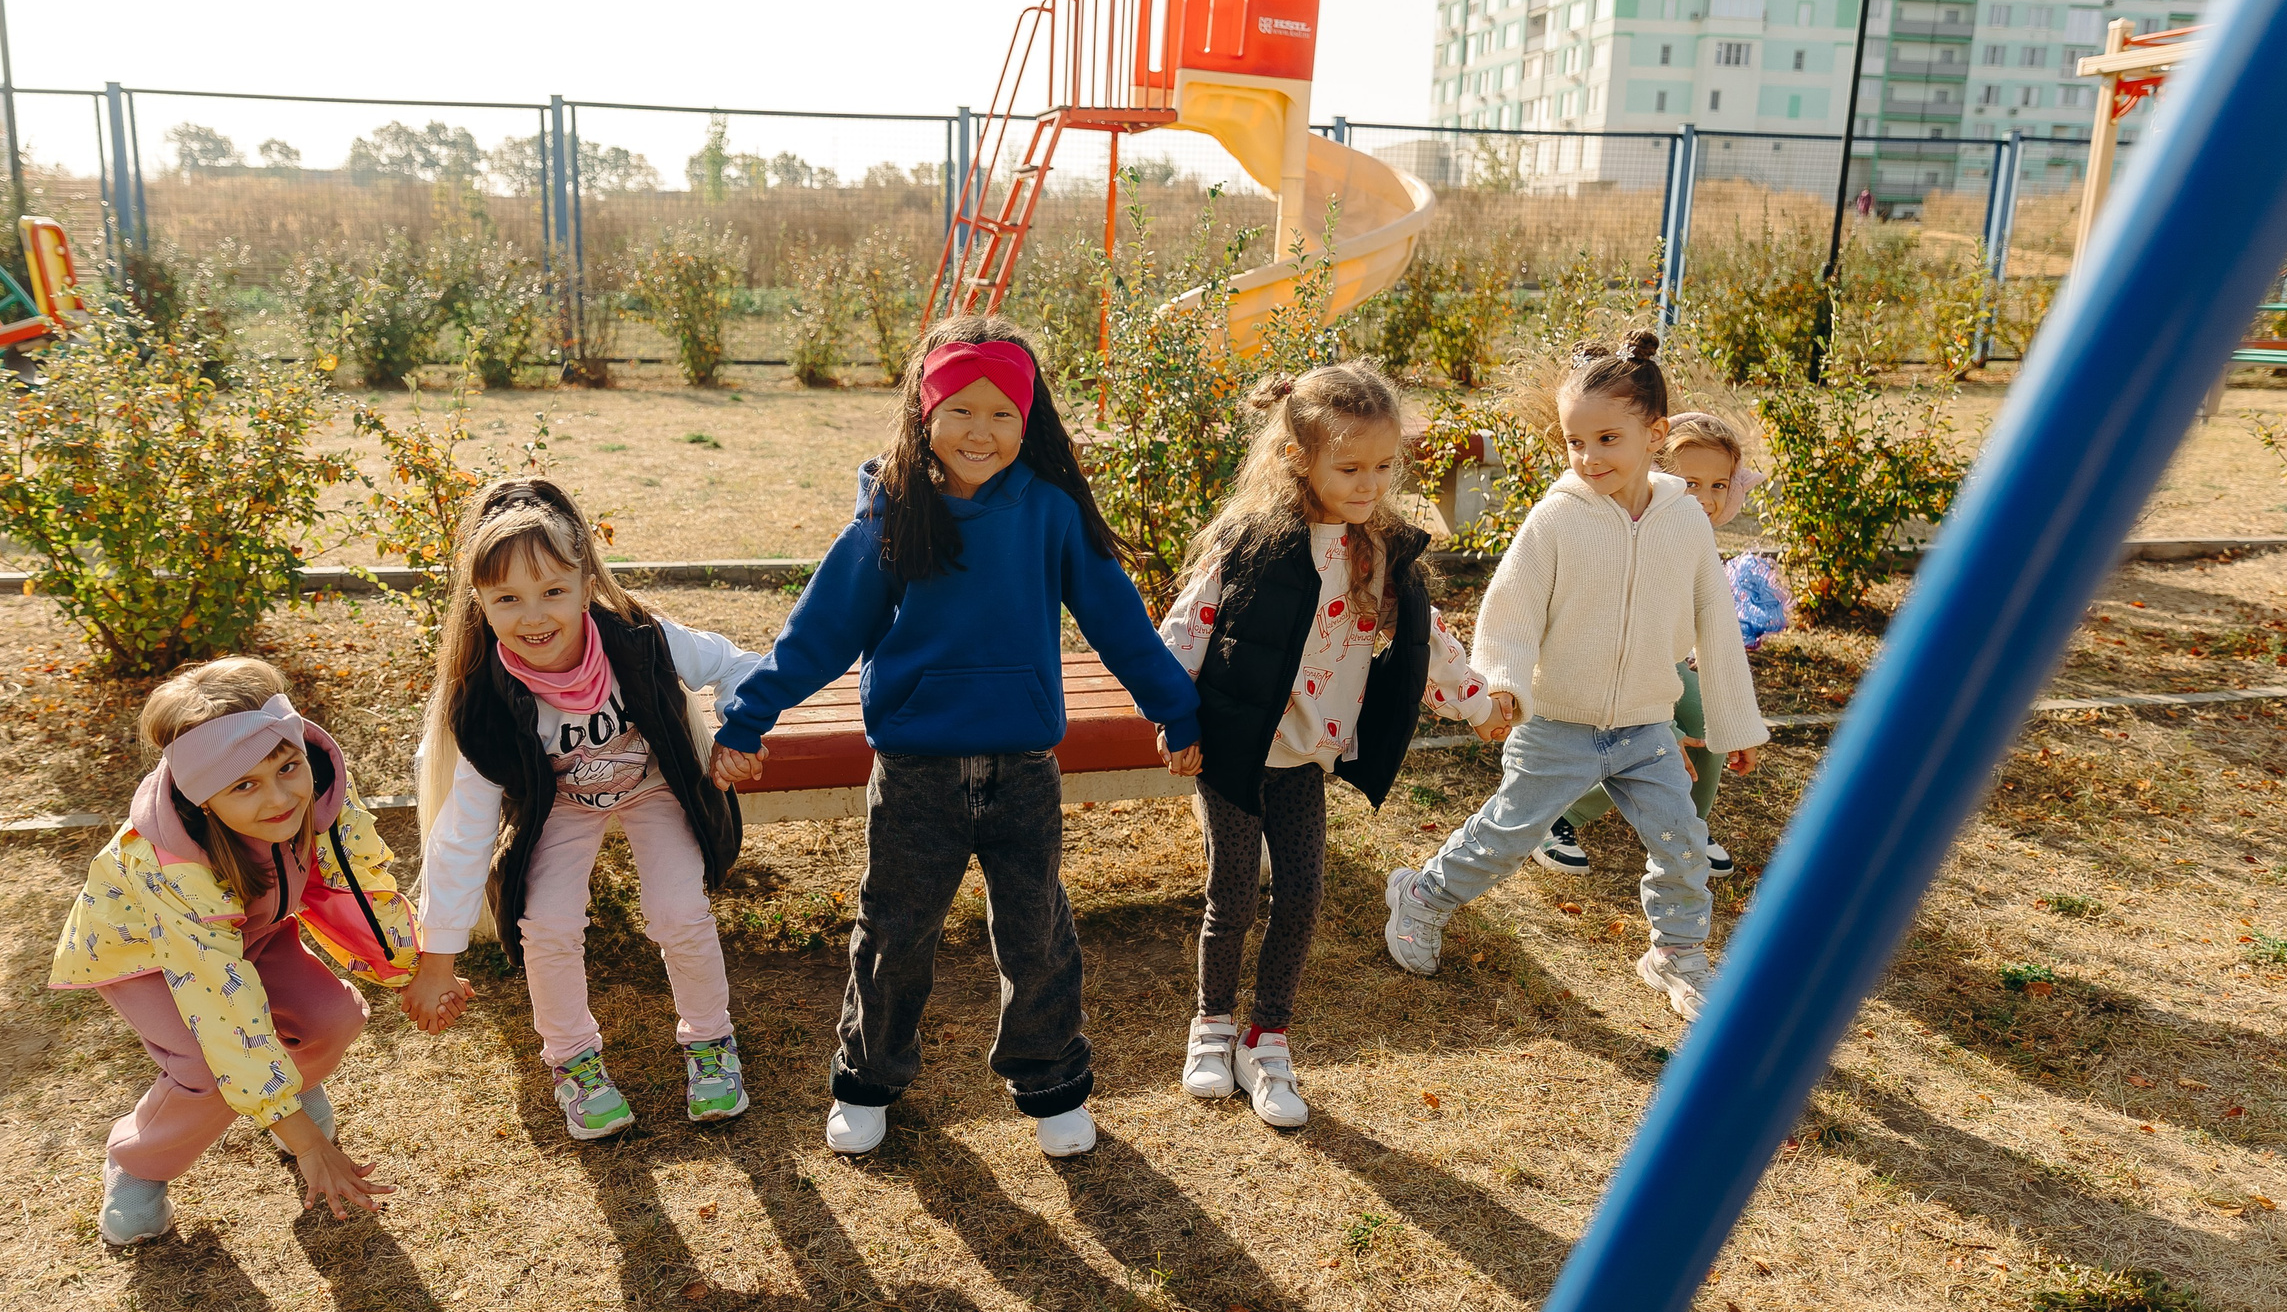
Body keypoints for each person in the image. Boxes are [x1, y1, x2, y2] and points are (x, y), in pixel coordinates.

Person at [708, 313, 1202, 1159]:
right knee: (897, 930)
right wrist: (748, 716)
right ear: (923, 412)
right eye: (960, 410)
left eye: (1002, 413)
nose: (982, 431)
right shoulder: (895, 513)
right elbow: (819, 633)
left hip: (1023, 768)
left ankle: (1050, 1082)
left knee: (1037, 931)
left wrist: (1177, 709)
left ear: (1029, 418)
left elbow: (1118, 621)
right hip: (916, 772)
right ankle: (867, 1079)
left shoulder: (1047, 511)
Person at [1157, 363, 1509, 1128]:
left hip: (1305, 763)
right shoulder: (1252, 544)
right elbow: (1183, 633)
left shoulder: (1378, 553)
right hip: (1234, 753)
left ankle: (1267, 1037)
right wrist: (1176, 723)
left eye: (1383, 467)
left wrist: (1478, 700)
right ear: (1299, 459)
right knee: (1232, 893)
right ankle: (1211, 1025)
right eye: (1349, 467)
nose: (1369, 482)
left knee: (1303, 896)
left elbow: (1428, 642)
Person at [1383, 333, 1768, 1022]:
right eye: (1574, 441)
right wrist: (1502, 685)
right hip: (1559, 718)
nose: (1588, 458)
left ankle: (1677, 952)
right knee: (1504, 835)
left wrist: (1731, 723)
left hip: (1647, 723)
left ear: (1655, 434)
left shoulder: (1685, 521)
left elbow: (1716, 621)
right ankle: (1423, 896)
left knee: (1682, 840)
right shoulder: (1556, 518)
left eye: (1607, 439)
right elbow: (1511, 610)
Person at [53, 658, 466, 1246]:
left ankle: (283, 1090)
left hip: (254, 927)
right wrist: (305, 1140)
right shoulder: (171, 865)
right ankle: (138, 1163)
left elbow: (358, 890)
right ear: (201, 799)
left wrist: (413, 970)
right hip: (146, 955)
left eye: (286, 766)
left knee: (332, 1018)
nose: (278, 799)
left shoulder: (320, 800)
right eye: (242, 785)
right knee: (204, 1067)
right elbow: (220, 1005)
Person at [418, 477, 761, 1138]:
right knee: (545, 923)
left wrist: (738, 736)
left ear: (583, 582)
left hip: (654, 782)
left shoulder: (638, 637)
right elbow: (462, 833)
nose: (534, 616)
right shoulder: (486, 698)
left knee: (677, 908)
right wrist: (439, 954)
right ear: (480, 604)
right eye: (507, 599)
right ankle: (574, 1062)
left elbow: (738, 663)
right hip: (564, 803)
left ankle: (711, 1046)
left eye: (553, 591)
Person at [1533, 410, 1760, 878]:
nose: (1707, 498)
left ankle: (1687, 825)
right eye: (1691, 484)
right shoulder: (1629, 533)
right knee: (1645, 745)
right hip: (1598, 664)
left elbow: (1710, 623)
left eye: (1719, 485)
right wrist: (1665, 730)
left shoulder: (1694, 535)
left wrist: (1735, 725)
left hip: (1660, 662)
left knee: (1706, 721)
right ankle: (1559, 816)